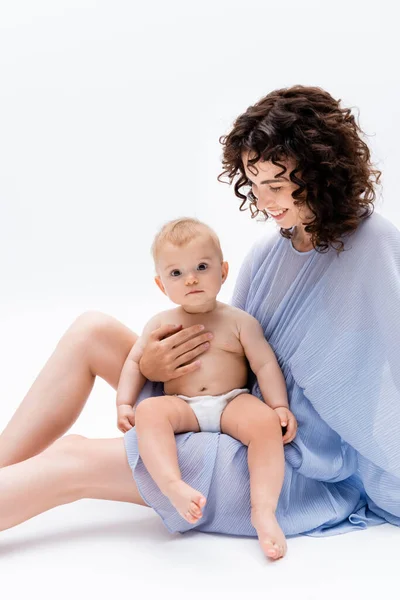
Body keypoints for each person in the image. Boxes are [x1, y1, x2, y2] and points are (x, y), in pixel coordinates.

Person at [1, 85, 400, 547]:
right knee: (92, 330)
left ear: (322, 172)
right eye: (255, 183)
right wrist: (149, 368)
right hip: (226, 407)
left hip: (277, 457)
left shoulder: (373, 246)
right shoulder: (269, 251)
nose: (266, 200)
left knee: (73, 459)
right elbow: (238, 356)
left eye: (278, 182)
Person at [116, 217, 297, 560]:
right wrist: (125, 402)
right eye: (176, 273)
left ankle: (263, 510)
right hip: (182, 404)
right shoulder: (160, 324)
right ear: (160, 284)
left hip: (232, 401)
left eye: (201, 266)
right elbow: (133, 363)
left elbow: (264, 365)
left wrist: (278, 406)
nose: (192, 279)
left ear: (224, 271)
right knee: (150, 411)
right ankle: (173, 485)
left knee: (264, 425)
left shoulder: (239, 321)